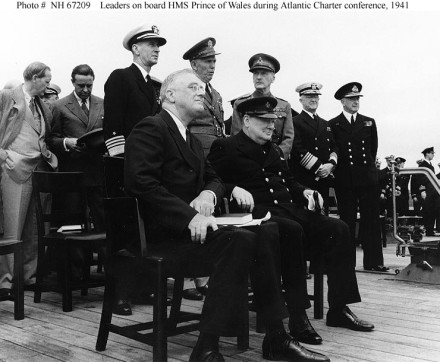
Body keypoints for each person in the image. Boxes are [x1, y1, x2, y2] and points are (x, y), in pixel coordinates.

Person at [125, 69, 329, 362]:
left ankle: (276, 337)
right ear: (169, 95)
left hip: (192, 233)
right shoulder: (151, 128)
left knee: (266, 230)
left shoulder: (190, 139)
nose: (200, 92)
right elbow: (140, 183)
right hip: (163, 237)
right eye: (192, 87)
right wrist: (188, 216)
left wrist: (209, 194)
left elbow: (215, 178)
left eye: (201, 87)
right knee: (241, 241)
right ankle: (207, 347)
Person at [208, 96, 374, 347]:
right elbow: (211, 179)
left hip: (288, 209)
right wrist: (232, 189)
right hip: (259, 216)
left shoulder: (273, 149)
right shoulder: (226, 146)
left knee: (339, 228)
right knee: (291, 230)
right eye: (264, 121)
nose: (271, 126)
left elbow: (288, 182)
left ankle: (338, 308)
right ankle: (298, 317)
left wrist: (305, 191)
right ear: (247, 121)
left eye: (272, 121)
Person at [0, 61, 58, 292]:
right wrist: (3, 155)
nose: (48, 83)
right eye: (46, 78)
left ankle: (29, 276)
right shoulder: (7, 97)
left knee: (35, 228)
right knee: (12, 227)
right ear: (34, 77)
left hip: (39, 168)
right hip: (15, 168)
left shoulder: (41, 104)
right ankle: (7, 281)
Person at [180, 37, 226, 301]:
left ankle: (203, 275)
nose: (212, 66)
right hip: (193, 159)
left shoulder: (215, 94)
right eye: (207, 61)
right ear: (194, 63)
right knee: (190, 217)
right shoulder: (188, 89)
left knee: (210, 218)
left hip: (213, 161)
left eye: (214, 61)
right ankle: (187, 278)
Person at [329, 82, 388, 272]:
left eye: (357, 99)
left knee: (371, 219)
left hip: (367, 178)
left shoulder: (368, 122)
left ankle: (374, 262)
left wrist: (370, 172)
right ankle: (347, 263)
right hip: (345, 179)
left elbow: (373, 149)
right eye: (352, 99)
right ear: (342, 101)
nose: (356, 102)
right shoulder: (333, 124)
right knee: (346, 220)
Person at [48, 64, 105, 232]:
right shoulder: (60, 106)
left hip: (97, 172)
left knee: (102, 219)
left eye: (89, 85)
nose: (86, 90)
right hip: (72, 173)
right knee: (72, 221)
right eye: (81, 86)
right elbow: (51, 139)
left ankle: (102, 256)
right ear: (72, 82)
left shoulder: (102, 104)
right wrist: (66, 142)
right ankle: (77, 258)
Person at [103, 24, 166, 156]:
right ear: (136, 49)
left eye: (158, 46)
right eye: (151, 44)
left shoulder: (153, 84)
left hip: (153, 154)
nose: (157, 50)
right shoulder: (121, 77)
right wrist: (120, 155)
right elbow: (112, 121)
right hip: (132, 156)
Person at [230, 53, 294, 158]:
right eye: (255, 73)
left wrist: (276, 155)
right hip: (249, 158)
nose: (258, 77)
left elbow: (288, 138)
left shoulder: (284, 106)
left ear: (273, 78)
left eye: (264, 73)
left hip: (276, 160)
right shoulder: (240, 104)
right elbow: (236, 135)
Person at [289, 82, 337, 213]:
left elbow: (333, 147)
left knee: (323, 216)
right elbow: (296, 148)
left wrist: (331, 165)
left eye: (316, 96)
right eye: (309, 96)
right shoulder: (294, 122)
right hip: (304, 179)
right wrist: (319, 168)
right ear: (301, 99)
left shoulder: (325, 123)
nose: (313, 99)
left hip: (324, 178)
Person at [411, 147, 439, 236]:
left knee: (432, 211)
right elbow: (420, 179)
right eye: (432, 153)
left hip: (432, 191)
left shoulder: (431, 166)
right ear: (427, 154)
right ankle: (429, 230)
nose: (433, 155)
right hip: (427, 192)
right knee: (428, 211)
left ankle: (430, 230)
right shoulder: (423, 165)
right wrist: (422, 191)